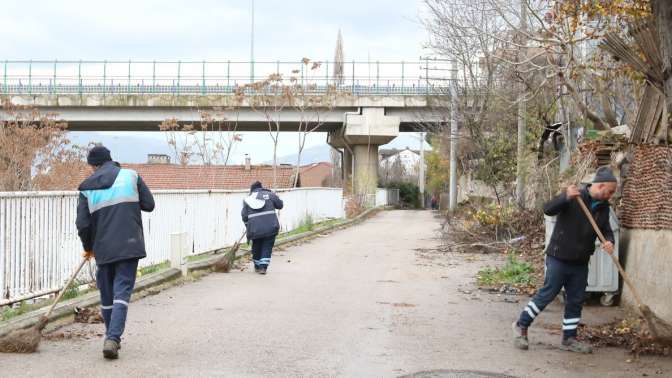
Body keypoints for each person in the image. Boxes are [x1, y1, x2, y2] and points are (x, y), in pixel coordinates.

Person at [512, 166, 617, 354]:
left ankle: (569, 338)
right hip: (559, 257)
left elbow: (607, 230)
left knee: (576, 300)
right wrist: (565, 197)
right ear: (600, 186)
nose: (611, 196)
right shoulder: (574, 197)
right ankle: (521, 326)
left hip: (581, 261)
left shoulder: (604, 208)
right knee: (547, 294)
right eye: (610, 192)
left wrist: (610, 241)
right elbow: (548, 209)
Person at [75, 146, 155, 359]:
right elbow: (149, 204)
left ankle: (111, 337)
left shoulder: (86, 188)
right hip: (130, 244)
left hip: (102, 248)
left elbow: (83, 224)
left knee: (107, 294)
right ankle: (113, 338)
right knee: (122, 292)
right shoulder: (131, 176)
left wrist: (88, 247)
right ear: (110, 159)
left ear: (93, 165)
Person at [241, 181, 284, 274]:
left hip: (255, 229)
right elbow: (280, 205)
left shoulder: (247, 199)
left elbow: (244, 216)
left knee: (256, 245)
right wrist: (277, 198)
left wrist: (248, 226)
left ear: (251, 190)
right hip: (271, 227)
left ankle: (257, 265)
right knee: (267, 246)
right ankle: (263, 267)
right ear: (261, 187)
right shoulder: (270, 194)